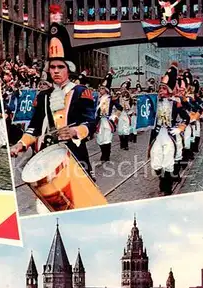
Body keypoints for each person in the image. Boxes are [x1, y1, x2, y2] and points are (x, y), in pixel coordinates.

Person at [10, 7, 96, 179]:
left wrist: (74, 131)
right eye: (53, 67)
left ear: (68, 70)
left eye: (60, 67)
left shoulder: (81, 92)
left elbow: (91, 122)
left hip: (74, 152)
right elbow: (34, 126)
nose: (56, 71)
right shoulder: (43, 95)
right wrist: (21, 143)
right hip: (48, 153)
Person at [149, 63, 190, 195]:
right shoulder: (155, 102)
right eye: (160, 88)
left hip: (170, 134)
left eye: (163, 88)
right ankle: (163, 179)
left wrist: (181, 128)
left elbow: (186, 117)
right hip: (157, 135)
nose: (160, 91)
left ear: (169, 90)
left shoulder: (175, 103)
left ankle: (166, 187)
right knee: (155, 161)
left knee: (167, 161)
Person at [96, 74, 123, 162]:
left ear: (106, 90)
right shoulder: (97, 99)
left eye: (103, 88)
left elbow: (120, 108)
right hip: (99, 121)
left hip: (108, 121)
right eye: (100, 88)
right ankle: (103, 152)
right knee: (100, 138)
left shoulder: (111, 99)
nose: (101, 90)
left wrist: (114, 117)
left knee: (107, 138)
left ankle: (106, 155)